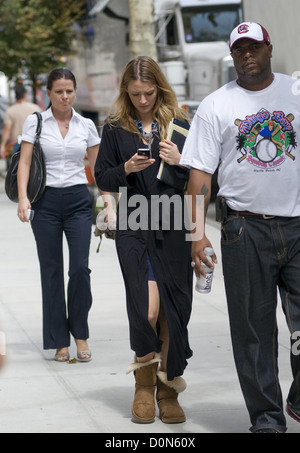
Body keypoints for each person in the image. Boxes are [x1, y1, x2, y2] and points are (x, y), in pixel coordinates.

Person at [180, 21, 300, 433]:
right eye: (239, 50)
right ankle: (266, 420)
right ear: (232, 56)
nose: (247, 55)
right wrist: (197, 235)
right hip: (244, 230)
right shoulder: (215, 105)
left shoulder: (295, 91)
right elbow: (199, 177)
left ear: (269, 48)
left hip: (299, 225)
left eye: (254, 47)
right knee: (253, 332)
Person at [94, 56, 193, 424]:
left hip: (173, 224)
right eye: (135, 94)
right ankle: (142, 384)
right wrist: (126, 169)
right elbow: (102, 175)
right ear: (126, 91)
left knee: (172, 311)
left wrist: (180, 159)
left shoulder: (179, 121)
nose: (143, 101)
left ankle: (168, 389)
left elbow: (198, 176)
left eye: (148, 93)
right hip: (135, 224)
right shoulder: (116, 127)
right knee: (145, 310)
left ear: (159, 88)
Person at [17, 68, 100, 362]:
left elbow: (98, 168)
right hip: (46, 202)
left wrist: (108, 204)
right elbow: (25, 162)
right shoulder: (36, 122)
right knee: (50, 271)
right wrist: (24, 198)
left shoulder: (86, 125)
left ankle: (80, 332)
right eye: (59, 91)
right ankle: (58, 339)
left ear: (75, 92)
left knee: (79, 269)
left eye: (69, 91)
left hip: (78, 201)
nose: (65, 97)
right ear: (48, 93)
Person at [0, 85, 41, 158]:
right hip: (34, 143)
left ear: (16, 96)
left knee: (18, 167)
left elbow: (7, 129)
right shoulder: (35, 108)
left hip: (18, 144)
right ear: (25, 95)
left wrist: (2, 145)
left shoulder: (10, 111)